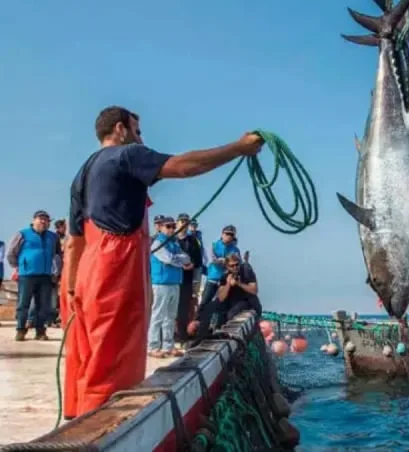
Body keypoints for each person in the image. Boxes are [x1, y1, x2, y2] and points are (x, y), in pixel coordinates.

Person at [62, 105, 263, 417]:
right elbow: (183, 166)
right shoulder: (126, 155)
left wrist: (73, 290)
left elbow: (73, 241)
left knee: (88, 357)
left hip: (86, 270)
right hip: (114, 269)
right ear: (120, 129)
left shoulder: (84, 171)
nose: (141, 139)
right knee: (113, 361)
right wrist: (238, 148)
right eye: (137, 131)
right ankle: (102, 430)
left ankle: (77, 421)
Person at [7, 210, 62, 341]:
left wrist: (57, 272)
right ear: (33, 220)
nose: (43, 222)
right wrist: (18, 267)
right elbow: (11, 252)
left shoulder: (53, 237)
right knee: (23, 304)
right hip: (27, 275)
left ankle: (40, 331)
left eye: (46, 220)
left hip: (45, 275)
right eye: (40, 219)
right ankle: (20, 330)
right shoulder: (22, 234)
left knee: (43, 306)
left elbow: (58, 255)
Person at [188, 253, 262, 340]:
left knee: (231, 314)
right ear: (227, 267)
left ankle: (225, 333)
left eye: (237, 264)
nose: (235, 268)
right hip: (231, 301)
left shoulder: (246, 271)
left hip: (246, 301)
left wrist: (239, 283)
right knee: (209, 308)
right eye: (232, 266)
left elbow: (254, 290)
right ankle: (202, 336)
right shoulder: (225, 276)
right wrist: (228, 284)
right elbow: (221, 297)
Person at [148, 217, 191, 358]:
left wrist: (177, 259)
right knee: (158, 315)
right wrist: (179, 260)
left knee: (171, 316)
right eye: (168, 226)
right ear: (160, 227)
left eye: (173, 226)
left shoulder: (174, 243)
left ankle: (168, 346)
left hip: (174, 282)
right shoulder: (157, 243)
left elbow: (187, 258)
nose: (172, 229)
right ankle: (153, 346)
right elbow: (168, 259)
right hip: (161, 283)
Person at [174, 213, 203, 347]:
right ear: (177, 222)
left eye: (186, 221)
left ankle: (182, 336)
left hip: (187, 279)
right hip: (172, 278)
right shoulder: (171, 239)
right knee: (170, 309)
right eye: (182, 221)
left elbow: (198, 261)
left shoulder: (192, 240)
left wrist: (192, 267)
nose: (184, 224)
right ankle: (170, 336)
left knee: (184, 308)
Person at [199, 225, 241, 310]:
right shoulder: (214, 245)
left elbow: (237, 264)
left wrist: (224, 261)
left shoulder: (235, 249)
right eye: (227, 233)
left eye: (232, 234)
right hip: (213, 278)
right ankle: (198, 320)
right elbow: (213, 259)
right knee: (204, 302)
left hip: (226, 281)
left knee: (223, 304)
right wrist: (225, 261)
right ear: (222, 234)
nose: (229, 236)